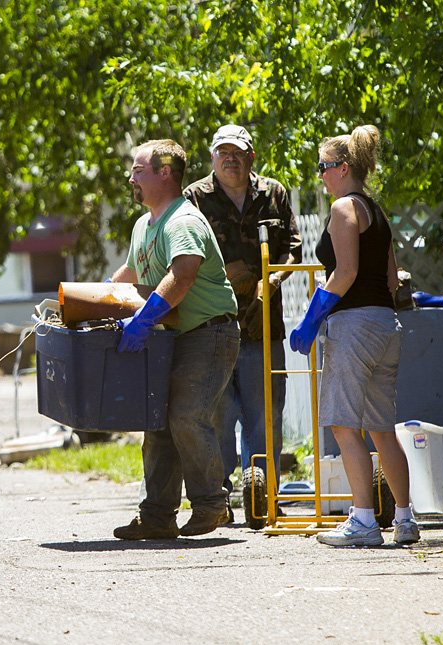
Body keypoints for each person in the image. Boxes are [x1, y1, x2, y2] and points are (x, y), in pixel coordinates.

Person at [289, 125, 419, 546]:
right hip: (386, 325)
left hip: (355, 327)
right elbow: (390, 276)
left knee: (343, 425)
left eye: (323, 167)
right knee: (382, 428)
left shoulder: (344, 208)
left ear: (343, 168)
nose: (320, 176)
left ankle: (363, 521)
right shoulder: (377, 212)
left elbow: (344, 272)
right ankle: (404, 520)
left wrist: (312, 319)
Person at [109, 139, 240, 539]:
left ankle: (212, 506)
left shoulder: (182, 220)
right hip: (172, 338)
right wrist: (89, 300)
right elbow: (129, 274)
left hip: (208, 333)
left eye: (138, 169)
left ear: (165, 172)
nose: (131, 177)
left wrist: (144, 319)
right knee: (158, 423)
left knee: (186, 416)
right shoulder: (144, 223)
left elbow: (182, 273)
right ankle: (157, 517)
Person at [183, 124, 302, 520]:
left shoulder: (274, 193)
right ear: (212, 157)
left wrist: (273, 280)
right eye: (223, 152)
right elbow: (182, 256)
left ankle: (262, 500)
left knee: (265, 415)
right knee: (219, 415)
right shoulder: (194, 198)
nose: (230, 158)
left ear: (252, 156)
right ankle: (218, 500)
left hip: (263, 325)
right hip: (213, 327)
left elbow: (293, 250)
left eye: (238, 152)